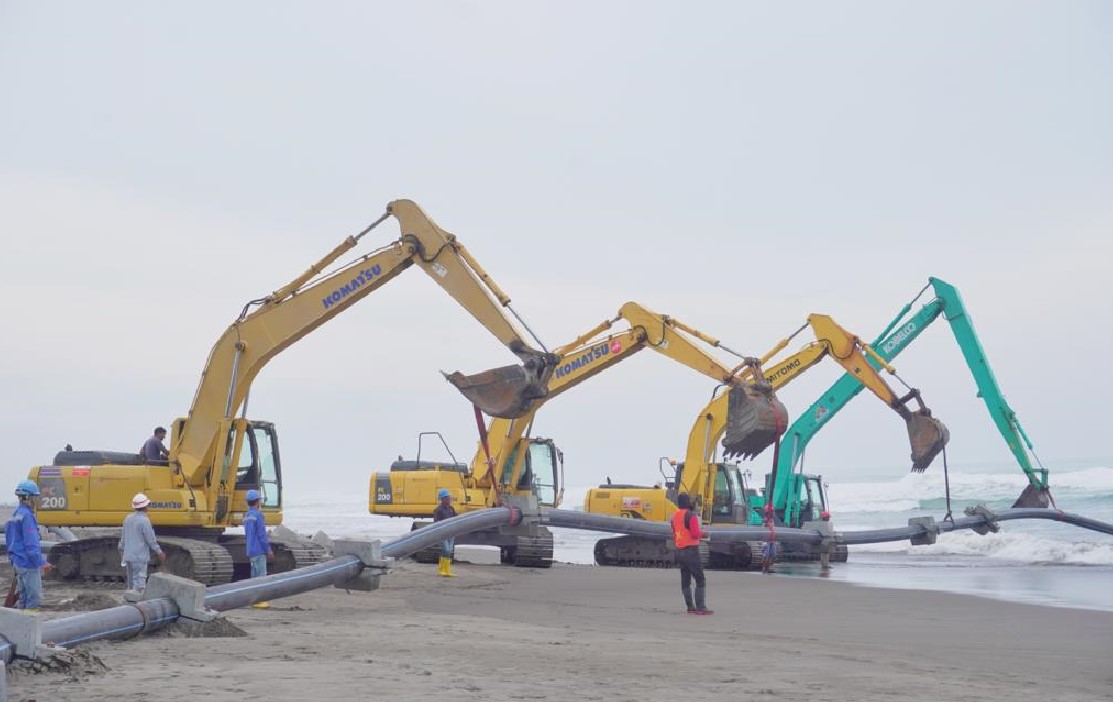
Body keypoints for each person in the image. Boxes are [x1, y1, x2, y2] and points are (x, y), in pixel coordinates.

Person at [5, 480, 53, 611]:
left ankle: (20, 627)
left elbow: (9, 542)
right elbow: (31, 544)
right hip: (28, 563)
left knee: (23, 598)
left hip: (18, 563)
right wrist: (41, 562)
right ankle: (30, 629)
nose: (37, 500)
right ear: (29, 498)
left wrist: (14, 561)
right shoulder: (27, 516)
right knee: (34, 599)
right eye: (35, 497)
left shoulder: (14, 516)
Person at [670, 493, 712, 615]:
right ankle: (701, 607)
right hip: (691, 551)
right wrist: (704, 534)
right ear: (688, 502)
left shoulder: (674, 516)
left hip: (679, 551)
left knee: (685, 579)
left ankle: (690, 607)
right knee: (699, 579)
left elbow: (674, 533)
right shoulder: (690, 515)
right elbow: (695, 533)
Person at [118, 492, 165, 593]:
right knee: (139, 583)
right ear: (145, 506)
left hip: (128, 556)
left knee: (131, 582)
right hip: (139, 557)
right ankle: (137, 602)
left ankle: (129, 602)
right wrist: (159, 551)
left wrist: (122, 552)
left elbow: (123, 539)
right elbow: (150, 540)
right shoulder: (144, 521)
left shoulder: (128, 518)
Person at [244, 489, 274, 608]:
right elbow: (262, 536)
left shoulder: (247, 516)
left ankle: (253, 599)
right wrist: (268, 550)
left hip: (250, 550)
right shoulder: (258, 515)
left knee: (254, 575)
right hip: (259, 550)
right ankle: (259, 600)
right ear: (257, 502)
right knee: (261, 576)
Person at [433, 488, 457, 578]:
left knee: (449, 551)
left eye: (449, 498)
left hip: (451, 533)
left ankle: (446, 570)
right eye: (447, 498)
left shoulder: (452, 509)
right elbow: (436, 523)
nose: (449, 500)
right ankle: (442, 569)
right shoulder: (438, 510)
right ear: (442, 500)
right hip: (442, 534)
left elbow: (456, 519)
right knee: (446, 550)